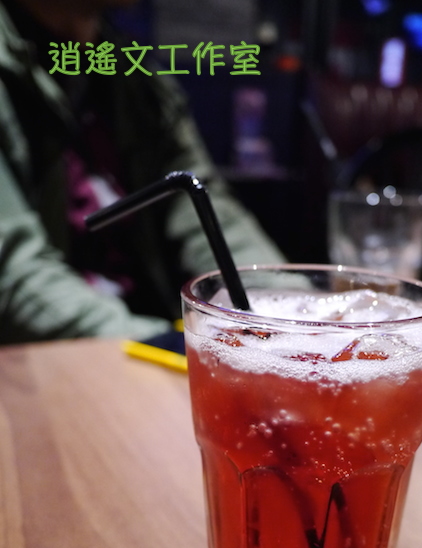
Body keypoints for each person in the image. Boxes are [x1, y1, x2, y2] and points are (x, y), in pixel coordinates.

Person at [0, 0, 284, 344]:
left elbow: (208, 214)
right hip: (59, 357)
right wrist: (170, 343)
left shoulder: (128, 68)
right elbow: (13, 272)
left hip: (144, 341)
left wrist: (291, 311)